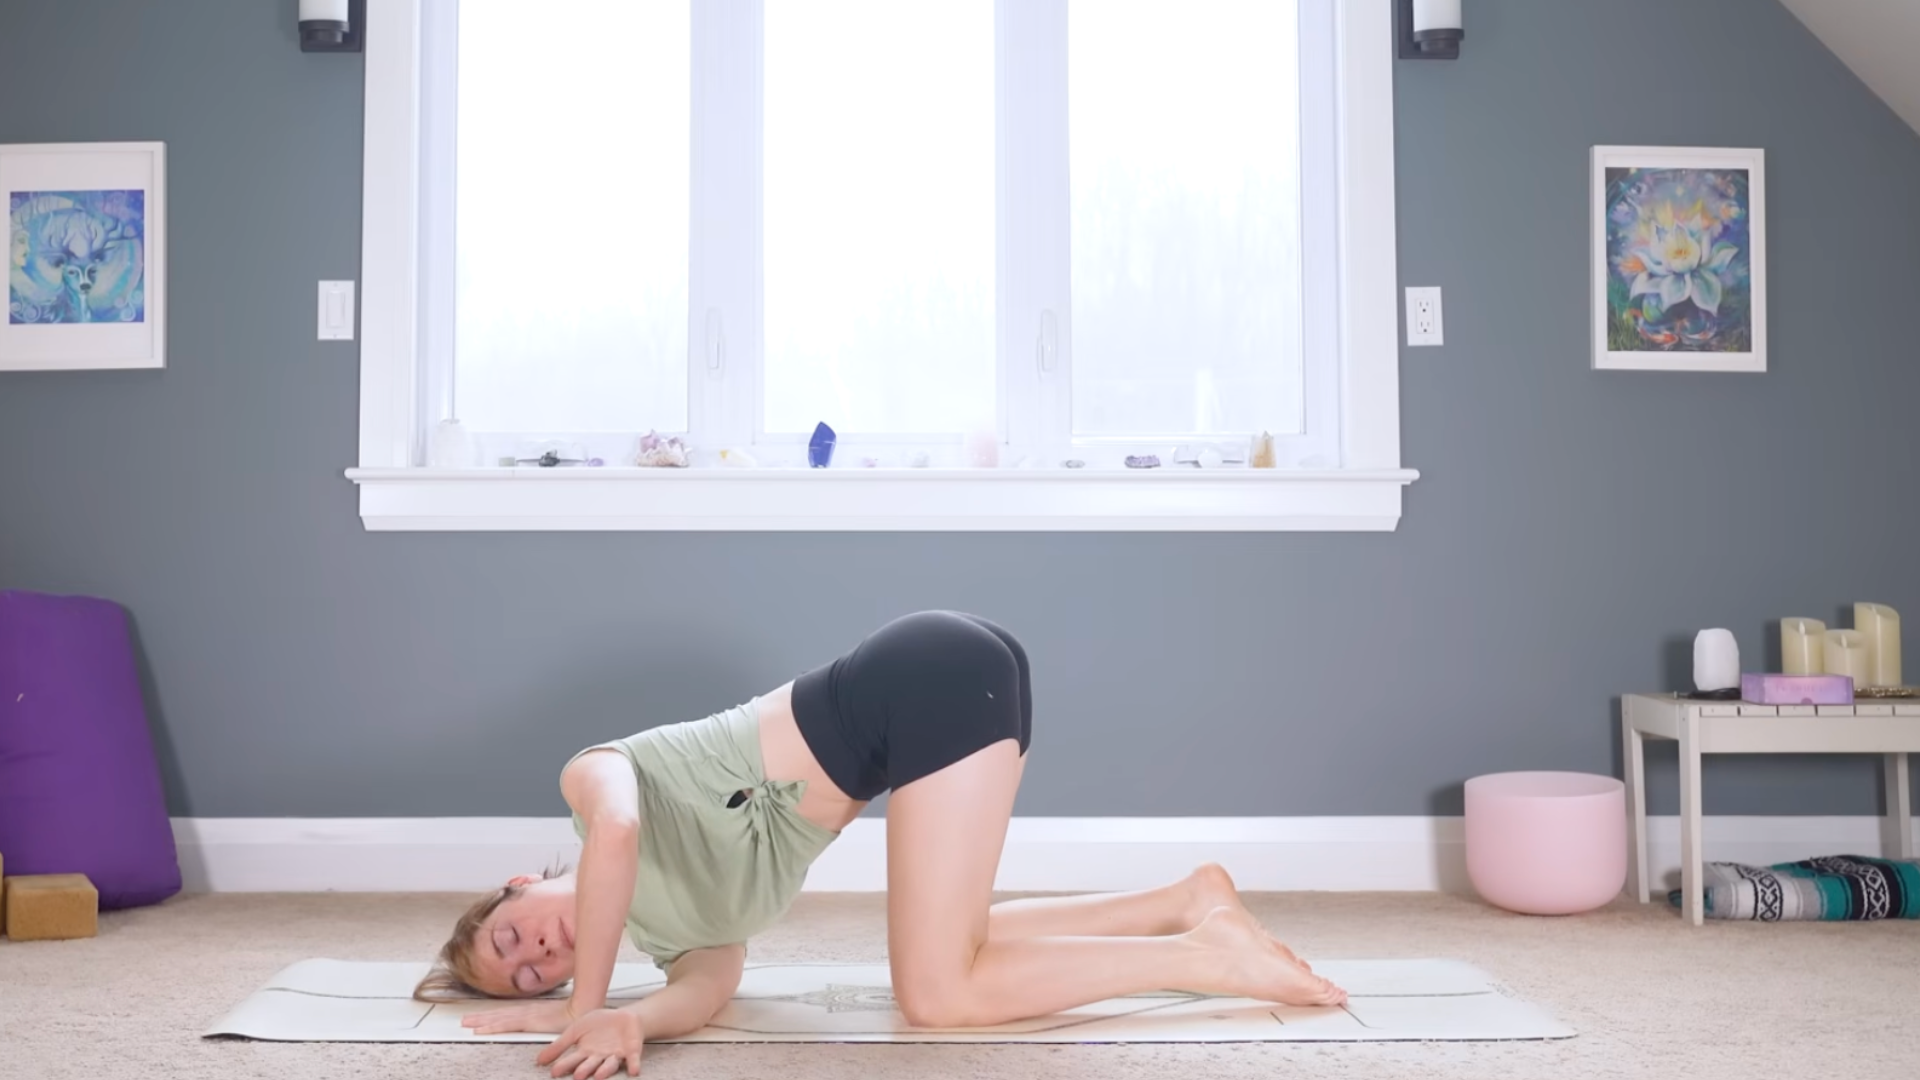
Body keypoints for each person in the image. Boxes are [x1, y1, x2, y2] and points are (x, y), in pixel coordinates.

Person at [416, 610, 1345, 1079]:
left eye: (510, 940)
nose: (537, 957)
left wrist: (576, 1005)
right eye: (528, 980)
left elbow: (619, 833)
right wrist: (625, 1019)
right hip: (950, 686)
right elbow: (702, 996)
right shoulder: (681, 940)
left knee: (937, 995)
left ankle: (1207, 958)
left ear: (515, 888)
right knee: (959, 946)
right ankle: (1181, 902)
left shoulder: (589, 783)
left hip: (918, 679)